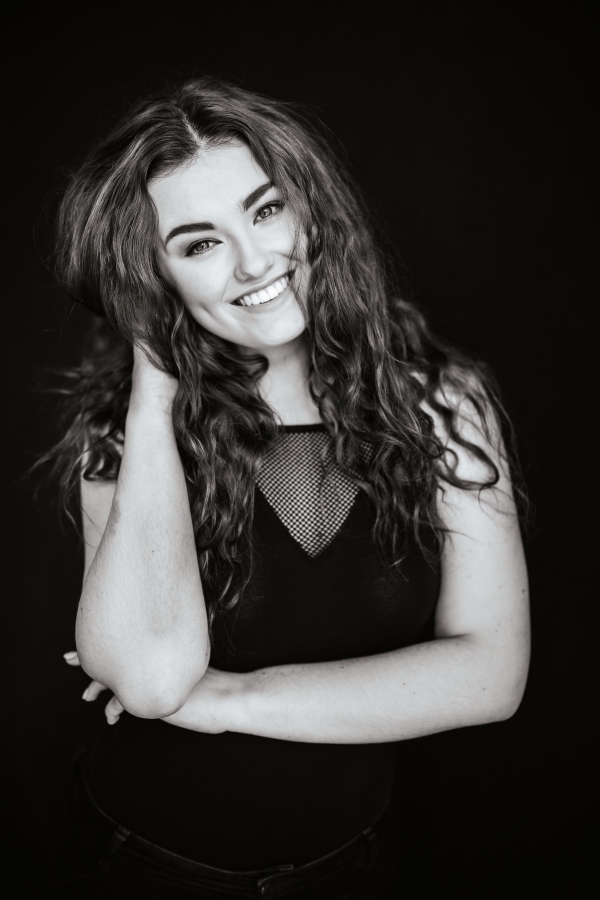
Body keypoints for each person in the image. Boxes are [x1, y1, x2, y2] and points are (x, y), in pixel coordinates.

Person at [42, 76, 530, 899]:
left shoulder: (444, 406)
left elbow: (491, 676)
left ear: (311, 209)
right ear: (154, 280)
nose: (255, 261)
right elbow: (153, 682)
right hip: (142, 867)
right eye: (199, 244)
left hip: (353, 868)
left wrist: (224, 700)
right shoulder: (124, 436)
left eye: (266, 211)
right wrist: (155, 393)